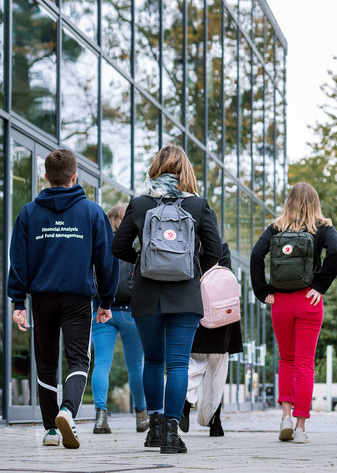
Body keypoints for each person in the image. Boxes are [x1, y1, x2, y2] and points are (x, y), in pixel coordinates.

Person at [111, 144, 222, 454]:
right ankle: (171, 434)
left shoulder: (139, 204)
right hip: (185, 294)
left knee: (153, 360)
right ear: (185, 171)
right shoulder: (198, 206)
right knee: (177, 364)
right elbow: (215, 251)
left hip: (147, 295)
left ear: (155, 169)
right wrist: (189, 265)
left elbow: (118, 249)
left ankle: (155, 429)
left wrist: (146, 260)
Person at [7, 148, 118, 449]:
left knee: (46, 364)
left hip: (42, 298)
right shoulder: (93, 213)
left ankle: (51, 431)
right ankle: (68, 411)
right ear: (74, 176)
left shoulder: (29, 213)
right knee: (79, 359)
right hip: (77, 298)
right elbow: (106, 261)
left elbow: (18, 260)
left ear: (45, 177)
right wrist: (106, 302)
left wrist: (18, 303)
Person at [251, 182, 337, 444]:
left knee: (286, 361)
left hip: (280, 301)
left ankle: (285, 418)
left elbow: (257, 254)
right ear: (315, 202)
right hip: (308, 301)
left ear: (289, 201)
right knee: (305, 363)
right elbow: (335, 252)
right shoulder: (323, 227)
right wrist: (320, 286)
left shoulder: (277, 226)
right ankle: (301, 427)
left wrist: (263, 290)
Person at [91, 204, 148, 435]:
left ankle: (100, 417)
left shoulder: (100, 246)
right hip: (130, 312)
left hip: (102, 311)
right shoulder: (135, 248)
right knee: (136, 366)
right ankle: (142, 416)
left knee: (102, 364)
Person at [181, 242, 242, 437]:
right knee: (218, 371)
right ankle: (214, 420)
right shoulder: (221, 247)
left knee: (194, 365)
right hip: (222, 316)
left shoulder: (188, 246)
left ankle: (185, 403)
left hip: (197, 313)